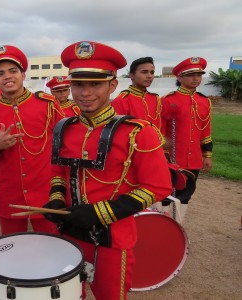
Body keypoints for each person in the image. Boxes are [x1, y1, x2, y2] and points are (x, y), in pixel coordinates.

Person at [42, 41, 172, 299]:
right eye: (78, 84)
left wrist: (101, 212)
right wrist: (56, 201)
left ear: (112, 85)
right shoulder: (63, 128)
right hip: (69, 233)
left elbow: (159, 186)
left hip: (113, 240)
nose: (85, 93)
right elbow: (58, 173)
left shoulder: (138, 131)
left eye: (96, 84)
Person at [0, 45, 64, 235]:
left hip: (46, 190)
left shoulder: (47, 104)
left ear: (23, 74)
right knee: (12, 244)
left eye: (13, 71)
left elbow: (66, 140)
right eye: (0, 73)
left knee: (51, 244)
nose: (8, 76)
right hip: (8, 193)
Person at [161, 57, 213, 218]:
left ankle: (177, 227)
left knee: (185, 195)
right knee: (166, 195)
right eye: (191, 75)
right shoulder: (168, 100)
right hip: (172, 157)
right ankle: (162, 227)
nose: (196, 78)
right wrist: (163, 154)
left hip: (194, 159)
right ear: (180, 77)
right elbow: (160, 130)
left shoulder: (204, 102)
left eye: (199, 74)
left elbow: (205, 131)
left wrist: (207, 155)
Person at [112, 57, 163, 131]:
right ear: (132, 76)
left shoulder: (155, 98)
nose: (149, 76)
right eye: (144, 72)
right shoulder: (121, 101)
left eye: (152, 72)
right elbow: (118, 131)